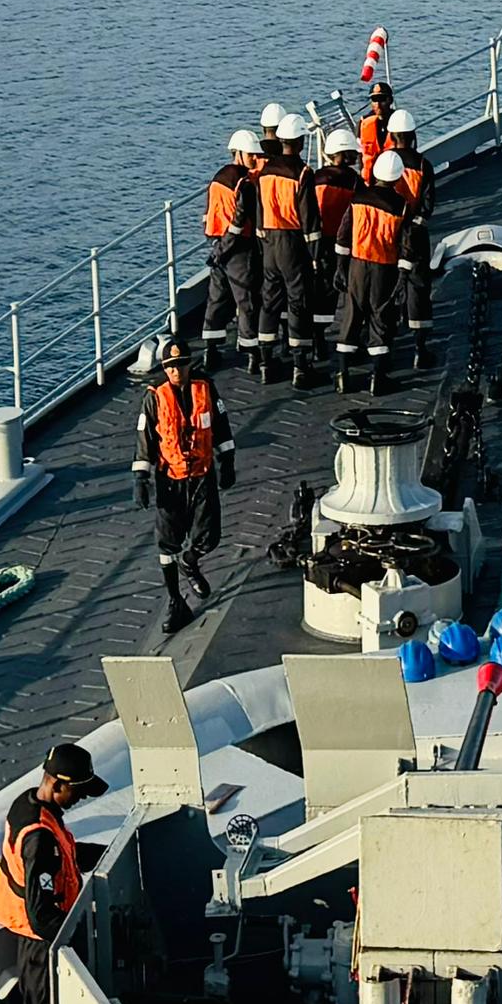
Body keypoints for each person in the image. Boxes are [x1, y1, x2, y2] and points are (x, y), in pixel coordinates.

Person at [0, 742, 104, 1004]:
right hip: (39, 945)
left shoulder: (30, 802)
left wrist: (108, 855)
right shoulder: (39, 838)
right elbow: (41, 916)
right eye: (78, 791)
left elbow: (63, 856)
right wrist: (80, 935)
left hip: (41, 935)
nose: (82, 798)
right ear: (57, 786)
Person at [132, 332, 236, 630]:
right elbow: (145, 438)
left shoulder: (207, 390)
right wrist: (141, 478)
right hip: (170, 481)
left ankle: (190, 560)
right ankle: (175, 600)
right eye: (170, 366)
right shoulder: (154, 398)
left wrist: (227, 460)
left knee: (209, 537)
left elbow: (221, 426)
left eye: (181, 364)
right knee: (167, 544)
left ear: (190, 364)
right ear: (164, 369)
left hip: (202, 477)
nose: (176, 371)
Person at [335, 148, 412, 392]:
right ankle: (377, 379)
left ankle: (343, 375)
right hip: (384, 268)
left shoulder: (358, 198)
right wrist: (403, 276)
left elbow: (343, 235)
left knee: (352, 315)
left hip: (357, 265)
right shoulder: (401, 206)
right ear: (398, 178)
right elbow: (406, 245)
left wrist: (340, 268)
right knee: (380, 319)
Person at [301, 130, 367, 384]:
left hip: (318, 244)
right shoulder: (353, 182)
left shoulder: (316, 178)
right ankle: (352, 342)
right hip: (347, 246)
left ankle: (318, 342)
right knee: (352, 294)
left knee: (321, 295)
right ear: (345, 153)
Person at [251, 112, 313, 381]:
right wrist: (317, 256)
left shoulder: (265, 172)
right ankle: (300, 366)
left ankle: (266, 363)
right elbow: (310, 219)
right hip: (292, 242)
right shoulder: (302, 173)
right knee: (297, 300)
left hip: (268, 243)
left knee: (270, 301)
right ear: (299, 142)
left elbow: (259, 208)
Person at [201, 129, 268, 366]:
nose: (255, 159)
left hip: (218, 243)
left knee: (216, 298)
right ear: (238, 153)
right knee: (246, 300)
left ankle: (210, 350)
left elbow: (209, 213)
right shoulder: (245, 183)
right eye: (251, 155)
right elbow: (240, 221)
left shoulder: (218, 178)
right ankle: (252, 353)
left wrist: (217, 250)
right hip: (237, 249)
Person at [385, 109, 436, 375]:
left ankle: (390, 343)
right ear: (413, 135)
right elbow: (428, 204)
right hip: (415, 235)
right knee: (418, 287)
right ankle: (420, 347)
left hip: (389, 234)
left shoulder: (384, 161)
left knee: (390, 287)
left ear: (392, 136)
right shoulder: (423, 164)